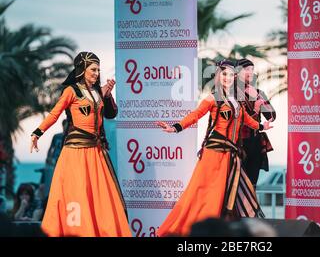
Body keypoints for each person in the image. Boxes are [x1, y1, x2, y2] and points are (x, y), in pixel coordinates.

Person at [156, 60, 273, 237]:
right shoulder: (213, 98)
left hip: (230, 155)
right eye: (224, 74)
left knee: (228, 196)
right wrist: (175, 127)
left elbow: (246, 121)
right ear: (219, 76)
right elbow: (195, 115)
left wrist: (262, 126)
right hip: (214, 153)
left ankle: (222, 232)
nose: (227, 78)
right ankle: (194, 232)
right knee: (206, 194)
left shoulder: (237, 100)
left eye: (231, 75)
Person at [30, 52, 131, 237]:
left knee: (100, 197)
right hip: (76, 152)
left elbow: (110, 114)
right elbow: (54, 114)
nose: (96, 73)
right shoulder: (71, 91)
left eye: (98, 69)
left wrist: (107, 95)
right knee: (77, 195)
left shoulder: (98, 91)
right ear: (82, 70)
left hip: (96, 153)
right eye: (93, 69)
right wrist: (37, 132)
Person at [236, 58, 276, 188]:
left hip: (255, 143)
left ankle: (251, 208)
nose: (250, 72)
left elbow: (271, 116)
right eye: (247, 69)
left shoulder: (258, 93)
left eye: (252, 69)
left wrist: (258, 97)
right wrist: (256, 109)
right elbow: (239, 119)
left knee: (252, 183)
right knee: (237, 183)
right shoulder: (232, 94)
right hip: (238, 143)